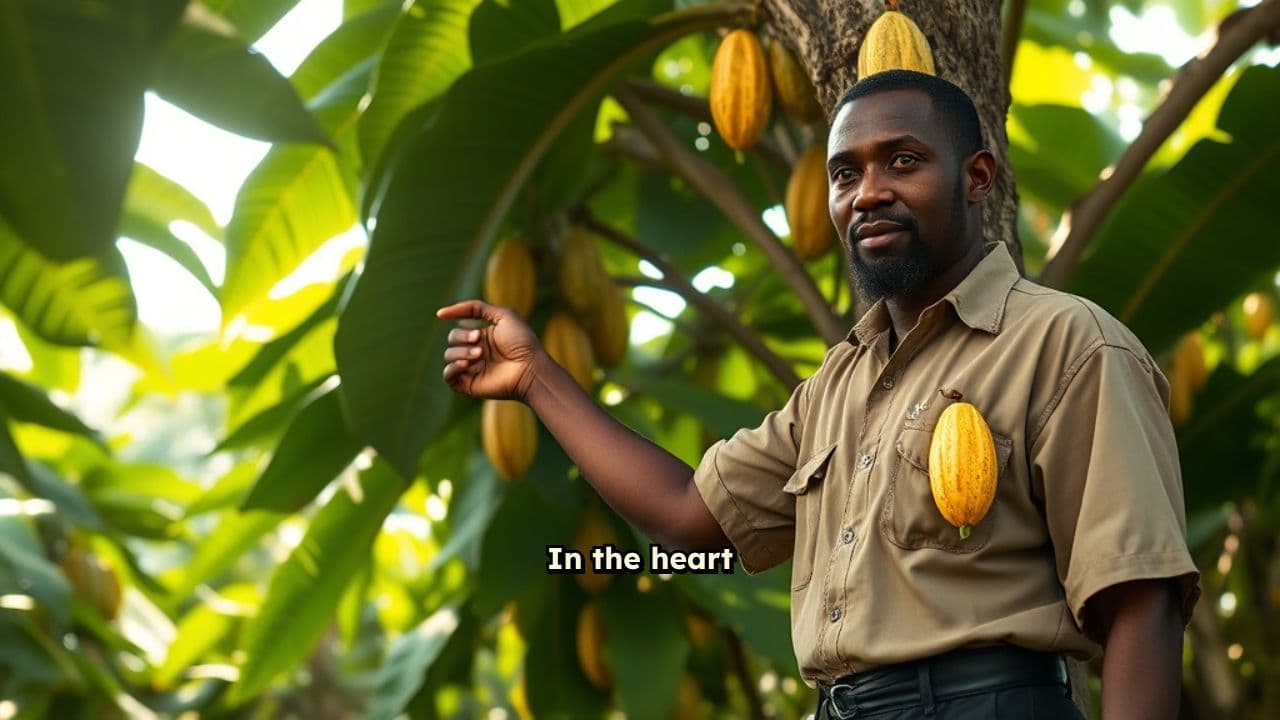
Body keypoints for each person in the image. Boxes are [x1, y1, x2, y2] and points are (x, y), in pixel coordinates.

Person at [437, 70, 1200, 719]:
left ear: (975, 178)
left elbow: (1139, 602)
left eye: (902, 162)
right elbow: (689, 514)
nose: (868, 193)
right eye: (845, 173)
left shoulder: (1064, 343)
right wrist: (537, 378)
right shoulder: (841, 381)